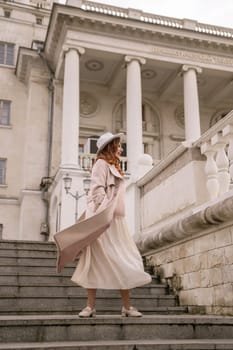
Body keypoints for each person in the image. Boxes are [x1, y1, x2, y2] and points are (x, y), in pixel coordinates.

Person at [70, 132, 152, 318]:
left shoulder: (114, 166)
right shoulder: (100, 164)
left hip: (117, 221)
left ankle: (127, 306)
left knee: (123, 259)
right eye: (118, 145)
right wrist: (101, 214)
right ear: (110, 147)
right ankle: (90, 307)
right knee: (93, 261)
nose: (121, 149)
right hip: (103, 220)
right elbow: (97, 188)